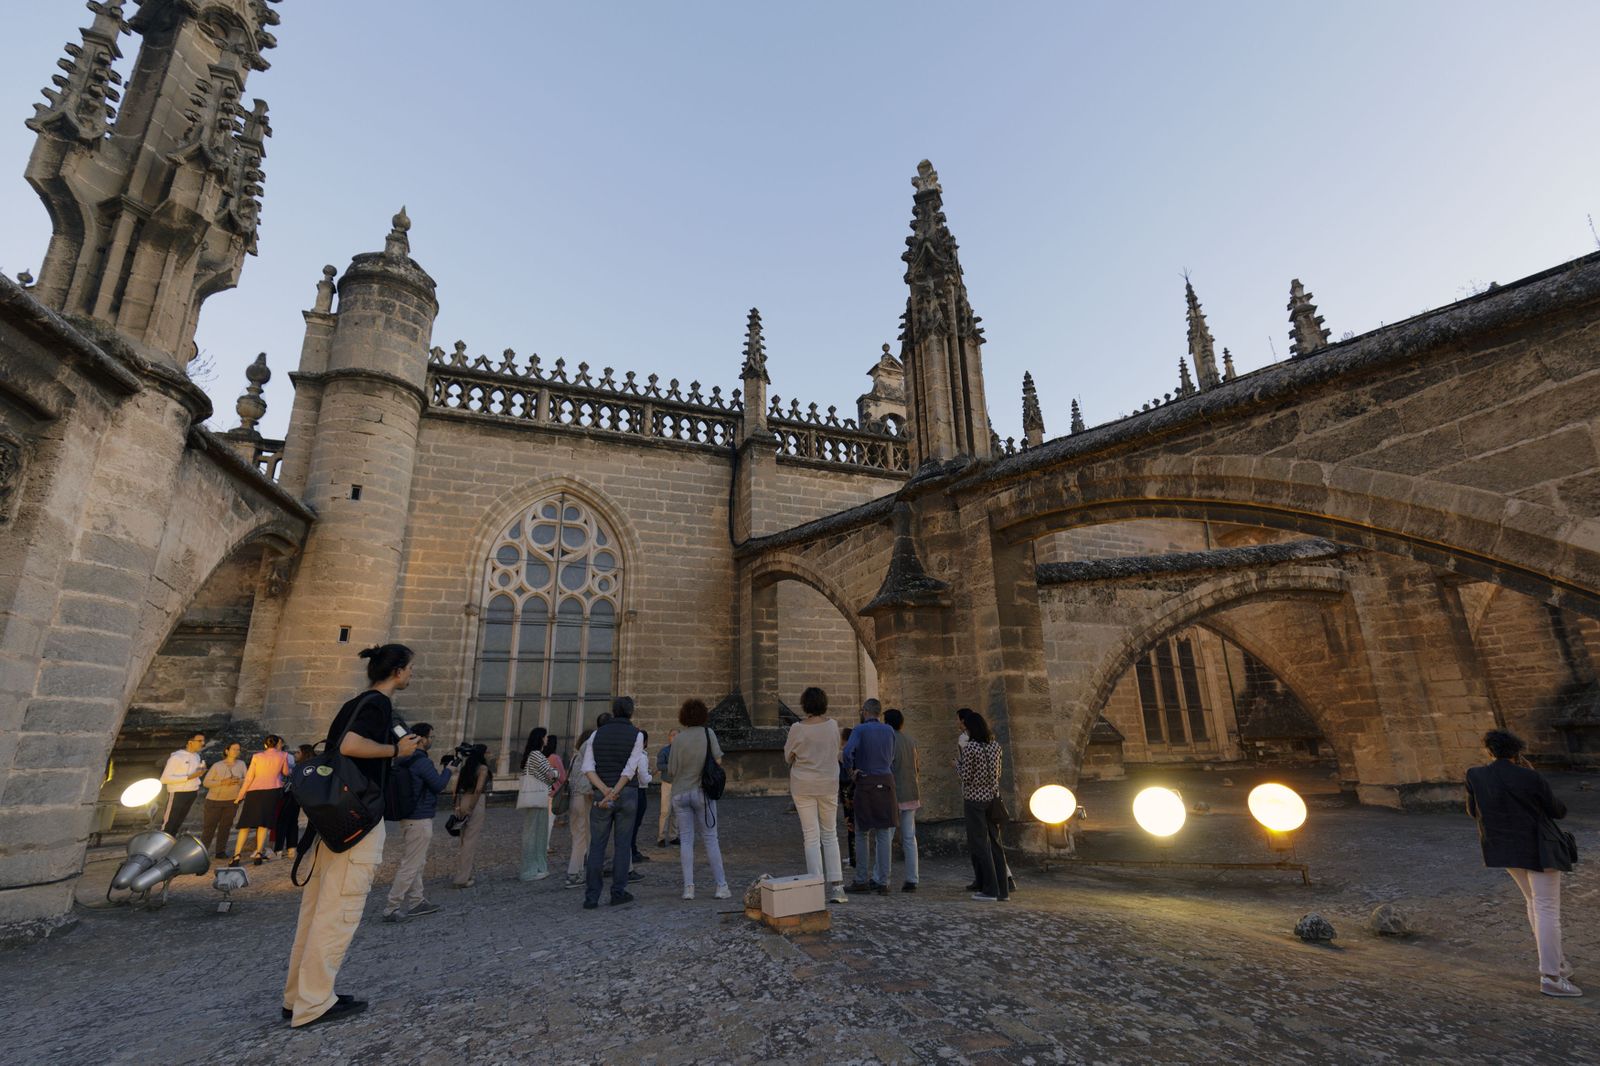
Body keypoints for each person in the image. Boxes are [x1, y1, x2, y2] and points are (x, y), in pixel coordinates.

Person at [283, 643, 420, 1028]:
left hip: (332, 819)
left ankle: (297, 996)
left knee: (315, 913)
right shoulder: (379, 705)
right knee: (339, 910)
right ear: (398, 671)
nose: (411, 675)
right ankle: (313, 1003)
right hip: (356, 819)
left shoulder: (353, 703)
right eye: (410, 669)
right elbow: (350, 746)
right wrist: (396, 750)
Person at [1465, 728, 1580, 997]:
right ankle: (1551, 976)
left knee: (1533, 902)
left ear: (1489, 751)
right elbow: (1557, 811)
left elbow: (1472, 811)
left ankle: (1558, 965)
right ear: (1517, 752)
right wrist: (1533, 778)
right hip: (1540, 848)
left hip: (1504, 848)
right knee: (1546, 907)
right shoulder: (1530, 776)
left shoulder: (1474, 775)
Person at [382, 723, 454, 921]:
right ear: (421, 739)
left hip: (408, 817)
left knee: (417, 862)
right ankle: (392, 907)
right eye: (431, 737)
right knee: (411, 864)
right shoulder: (422, 762)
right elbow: (438, 785)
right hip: (420, 818)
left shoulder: (403, 759)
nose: (432, 741)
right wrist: (448, 770)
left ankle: (417, 901)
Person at [581, 696, 648, 908]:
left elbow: (587, 768)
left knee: (597, 846)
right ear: (631, 712)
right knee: (622, 845)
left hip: (602, 794)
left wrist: (604, 791)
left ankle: (591, 896)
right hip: (626, 794)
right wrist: (614, 792)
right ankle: (618, 892)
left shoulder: (596, 734)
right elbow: (630, 770)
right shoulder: (636, 735)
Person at [785, 686, 846, 904]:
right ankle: (838, 887)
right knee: (830, 834)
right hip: (828, 783)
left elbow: (788, 756)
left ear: (805, 704)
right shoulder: (832, 726)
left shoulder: (797, 728)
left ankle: (815, 887)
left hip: (803, 785)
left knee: (811, 836)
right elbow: (835, 751)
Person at [666, 699, 730, 900]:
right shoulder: (708, 734)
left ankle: (689, 888)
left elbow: (671, 770)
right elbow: (718, 760)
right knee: (710, 839)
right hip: (702, 792)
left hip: (680, 792)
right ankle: (721, 886)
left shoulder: (678, 739)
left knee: (686, 840)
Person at [841, 699, 898, 895]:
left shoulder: (860, 730)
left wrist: (851, 771)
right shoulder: (889, 730)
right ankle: (884, 881)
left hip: (866, 781)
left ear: (865, 712)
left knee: (862, 831)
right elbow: (892, 756)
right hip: (886, 781)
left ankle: (861, 879)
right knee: (883, 832)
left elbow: (847, 752)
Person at [957, 710, 1008, 902]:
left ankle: (989, 889)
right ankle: (1002, 890)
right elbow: (998, 773)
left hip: (975, 799)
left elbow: (966, 776)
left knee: (980, 844)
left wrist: (957, 766)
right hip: (993, 798)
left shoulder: (971, 747)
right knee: (995, 843)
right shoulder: (995, 746)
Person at [233, 736, 293, 864]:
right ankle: (259, 853)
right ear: (277, 744)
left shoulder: (257, 756)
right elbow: (286, 772)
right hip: (272, 791)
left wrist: (240, 795)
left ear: (265, 745)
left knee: (245, 824)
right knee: (263, 824)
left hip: (254, 791)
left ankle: (236, 855)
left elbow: (249, 777)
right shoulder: (283, 755)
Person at [885, 708, 920, 893]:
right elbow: (916, 767)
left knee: (886, 836)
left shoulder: (889, 740)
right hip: (911, 792)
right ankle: (912, 878)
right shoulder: (911, 740)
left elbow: (888, 767)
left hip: (894, 794)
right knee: (909, 838)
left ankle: (882, 877)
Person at [518, 727, 558, 881]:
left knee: (535, 833)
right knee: (534, 834)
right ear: (540, 738)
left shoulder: (532, 755)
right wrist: (556, 773)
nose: (547, 739)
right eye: (545, 736)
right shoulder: (536, 755)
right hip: (537, 798)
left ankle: (536, 867)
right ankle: (530, 870)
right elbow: (551, 774)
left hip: (535, 798)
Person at [451, 743, 493, 888]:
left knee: (464, 840)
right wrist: (471, 807)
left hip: (463, 799)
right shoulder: (483, 768)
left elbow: (456, 788)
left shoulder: (466, 768)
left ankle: (465, 873)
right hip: (475, 802)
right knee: (470, 841)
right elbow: (478, 789)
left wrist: (457, 805)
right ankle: (462, 878)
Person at [563, 725, 598, 888]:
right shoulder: (588, 755)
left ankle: (580, 870)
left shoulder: (575, 757)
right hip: (584, 798)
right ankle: (575, 873)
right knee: (585, 837)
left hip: (574, 798)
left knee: (578, 835)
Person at [199, 742, 245, 857]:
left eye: (238, 749)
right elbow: (206, 782)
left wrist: (238, 780)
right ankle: (202, 853)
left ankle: (220, 851)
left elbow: (247, 779)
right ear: (227, 751)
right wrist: (223, 782)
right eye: (234, 749)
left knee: (225, 827)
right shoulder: (217, 765)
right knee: (209, 827)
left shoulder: (241, 764)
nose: (236, 751)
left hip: (232, 801)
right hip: (214, 801)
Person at [158, 732, 206, 835]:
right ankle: (162, 841)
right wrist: (189, 777)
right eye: (200, 741)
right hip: (177, 793)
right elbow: (164, 779)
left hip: (192, 792)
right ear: (190, 742)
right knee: (169, 822)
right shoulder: (177, 757)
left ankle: (172, 841)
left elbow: (195, 774)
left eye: (203, 741)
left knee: (178, 822)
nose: (203, 743)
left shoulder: (197, 756)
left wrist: (200, 772)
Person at [273, 744, 313, 860]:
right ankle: (292, 848)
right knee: (292, 822)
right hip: (299, 797)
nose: (295, 755)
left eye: (298, 752)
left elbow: (292, 782)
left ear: (304, 754)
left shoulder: (300, 767)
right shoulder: (309, 767)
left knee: (282, 822)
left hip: (291, 795)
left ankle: (278, 849)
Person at [628, 730, 653, 865]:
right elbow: (643, 778)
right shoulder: (642, 757)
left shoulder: (631, 754)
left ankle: (632, 849)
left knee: (632, 823)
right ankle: (632, 851)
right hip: (639, 791)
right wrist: (651, 776)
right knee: (635, 823)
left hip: (631, 790)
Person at [656, 728, 680, 846]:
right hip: (667, 784)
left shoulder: (683, 751)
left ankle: (673, 836)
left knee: (677, 811)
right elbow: (660, 766)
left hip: (679, 784)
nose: (674, 737)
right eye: (672, 735)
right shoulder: (664, 751)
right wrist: (672, 766)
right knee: (665, 811)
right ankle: (661, 837)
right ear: (669, 738)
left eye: (676, 735)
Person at [544, 733, 566, 850]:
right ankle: (545, 846)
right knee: (549, 821)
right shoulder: (555, 758)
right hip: (552, 793)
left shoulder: (541, 757)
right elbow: (562, 777)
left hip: (541, 791)